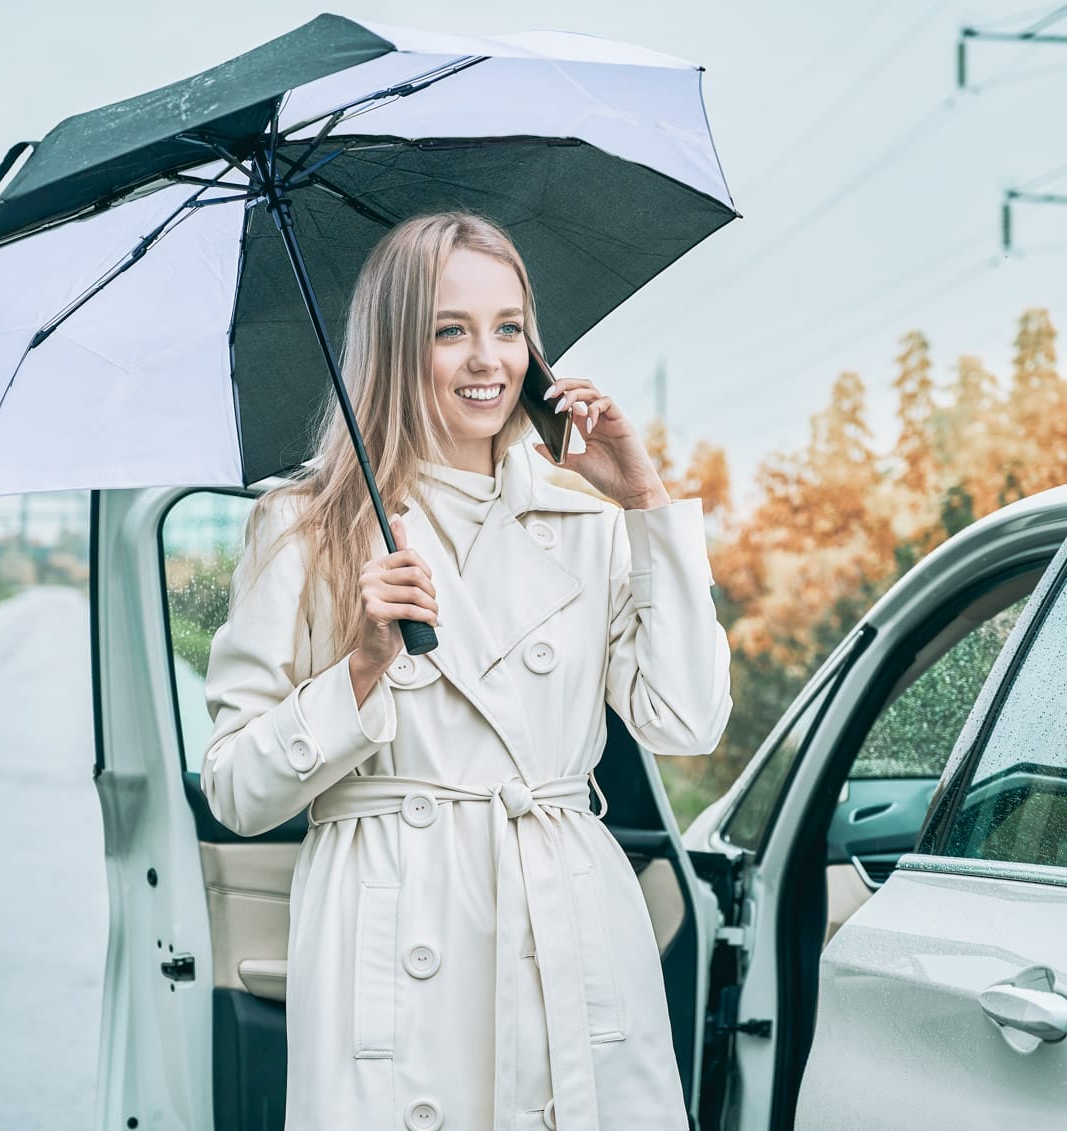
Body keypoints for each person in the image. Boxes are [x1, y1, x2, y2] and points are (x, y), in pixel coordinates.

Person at [198, 211, 733, 1131]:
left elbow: (688, 722)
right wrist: (361, 667)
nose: (489, 359)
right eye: (452, 330)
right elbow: (235, 792)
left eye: (509, 327)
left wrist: (646, 501)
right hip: (394, 927)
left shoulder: (588, 517)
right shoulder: (304, 524)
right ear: (397, 344)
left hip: (565, 924)